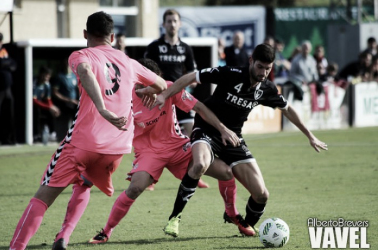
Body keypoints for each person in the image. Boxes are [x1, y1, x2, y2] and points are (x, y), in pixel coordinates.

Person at [9, 11, 167, 250]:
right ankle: (63, 236)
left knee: (43, 197)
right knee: (84, 184)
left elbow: (84, 72)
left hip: (83, 143)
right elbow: (162, 84)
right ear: (112, 37)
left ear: (85, 34)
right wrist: (147, 91)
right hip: (116, 148)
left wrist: (102, 108)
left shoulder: (81, 55)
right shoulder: (129, 62)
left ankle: (16, 247)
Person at [140, 43, 328, 237]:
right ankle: (174, 218)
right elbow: (191, 76)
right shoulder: (231, 73)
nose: (263, 72)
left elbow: (287, 109)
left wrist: (310, 136)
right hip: (207, 128)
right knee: (199, 165)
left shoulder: (267, 89)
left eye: (268, 68)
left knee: (262, 194)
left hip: (233, 137)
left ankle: (245, 223)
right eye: (260, 67)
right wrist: (164, 94)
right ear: (251, 61)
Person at [88, 58, 255, 244]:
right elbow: (112, 129)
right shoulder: (126, 97)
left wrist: (223, 129)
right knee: (135, 188)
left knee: (226, 171)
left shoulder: (169, 88)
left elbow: (199, 107)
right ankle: (106, 231)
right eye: (144, 84)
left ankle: (232, 214)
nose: (149, 89)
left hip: (177, 147)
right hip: (148, 153)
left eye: (153, 83)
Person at [144, 8, 209, 189]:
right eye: (169, 21)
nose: (172, 24)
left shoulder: (185, 48)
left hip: (180, 97)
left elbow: (191, 72)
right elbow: (146, 71)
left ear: (179, 24)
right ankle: (149, 177)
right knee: (154, 140)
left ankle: (193, 175)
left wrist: (192, 82)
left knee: (190, 139)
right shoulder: (154, 47)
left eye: (175, 21)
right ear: (163, 24)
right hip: (160, 98)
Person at [51, 58, 79, 142]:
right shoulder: (59, 77)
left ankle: (76, 139)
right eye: (65, 64)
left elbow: (79, 89)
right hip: (64, 104)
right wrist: (68, 100)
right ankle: (62, 139)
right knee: (64, 122)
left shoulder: (75, 76)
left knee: (76, 121)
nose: (67, 66)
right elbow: (55, 92)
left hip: (74, 103)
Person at [0, 32, 16, 145]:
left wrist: (4, 63)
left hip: (7, 88)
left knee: (8, 114)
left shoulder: (4, 51)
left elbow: (13, 64)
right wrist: (5, 63)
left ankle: (7, 138)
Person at [33, 65, 60, 144]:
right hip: (33, 106)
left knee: (52, 111)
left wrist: (52, 107)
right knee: (36, 111)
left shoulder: (47, 84)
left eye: (49, 75)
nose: (47, 77)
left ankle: (52, 133)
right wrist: (49, 107)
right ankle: (36, 135)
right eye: (46, 75)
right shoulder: (34, 82)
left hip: (41, 105)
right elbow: (34, 101)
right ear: (41, 74)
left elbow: (48, 100)